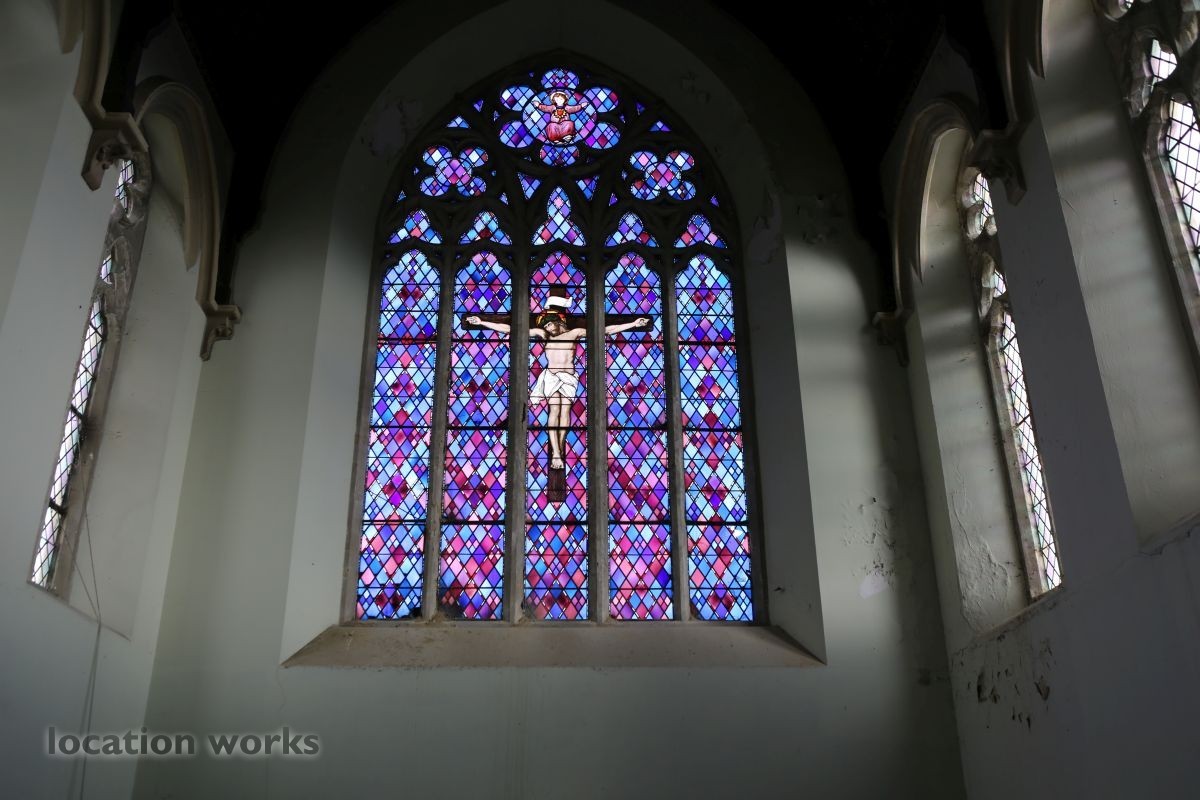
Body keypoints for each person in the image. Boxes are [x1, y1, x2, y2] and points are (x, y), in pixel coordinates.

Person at [466, 298, 647, 471]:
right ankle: (557, 454)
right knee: (554, 411)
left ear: (559, 322)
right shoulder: (544, 335)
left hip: (569, 378)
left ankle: (558, 448)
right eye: (545, 326)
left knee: (565, 412)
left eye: (549, 324)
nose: (547, 328)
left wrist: (633, 324)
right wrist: (482, 322)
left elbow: (604, 330)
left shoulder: (574, 333)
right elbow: (513, 329)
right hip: (551, 376)